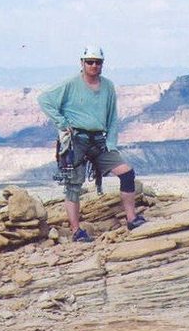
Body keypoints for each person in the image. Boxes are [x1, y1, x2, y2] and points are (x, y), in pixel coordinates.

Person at [38, 45, 146, 242]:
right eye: (90, 62)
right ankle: (76, 231)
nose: (94, 65)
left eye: (98, 62)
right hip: (75, 140)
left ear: (102, 64)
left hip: (99, 140)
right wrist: (62, 123)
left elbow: (112, 117)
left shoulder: (108, 86)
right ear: (82, 63)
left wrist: (111, 143)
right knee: (73, 185)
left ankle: (132, 218)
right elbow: (44, 99)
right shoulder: (71, 83)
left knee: (127, 172)